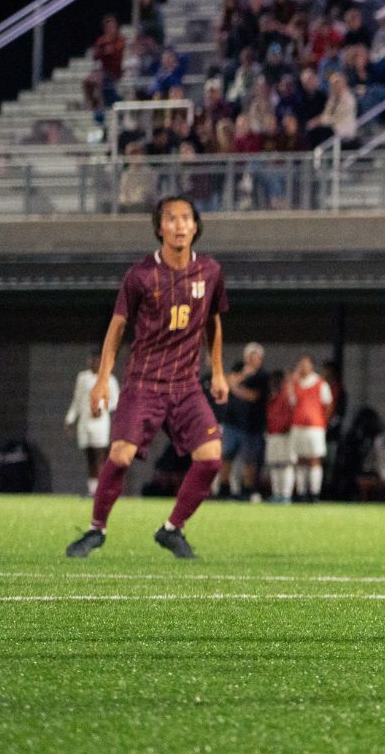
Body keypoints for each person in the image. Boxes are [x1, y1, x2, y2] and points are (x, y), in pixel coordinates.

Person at [64, 196, 230, 560]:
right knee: (120, 455)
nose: (180, 225)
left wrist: (217, 371)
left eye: (186, 218)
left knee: (211, 457)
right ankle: (95, 531)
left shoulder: (211, 271)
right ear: (159, 228)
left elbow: (214, 322)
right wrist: (102, 379)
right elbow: (117, 327)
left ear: (196, 227)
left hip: (186, 386)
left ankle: (172, 530)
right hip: (145, 382)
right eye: (171, 219)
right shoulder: (140, 275)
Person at [63, 349, 120, 497]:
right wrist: (70, 419)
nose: (95, 363)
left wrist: (102, 408)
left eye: (98, 360)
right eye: (93, 359)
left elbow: (115, 401)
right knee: (90, 457)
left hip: (100, 423)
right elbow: (77, 400)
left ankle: (102, 489)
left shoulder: (109, 379)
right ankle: (92, 489)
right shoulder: (83, 378)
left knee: (100, 456)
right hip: (84, 422)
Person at [216, 342, 267, 499]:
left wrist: (235, 387)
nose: (253, 359)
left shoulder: (262, 376)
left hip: (252, 425)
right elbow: (226, 380)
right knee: (226, 457)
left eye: (256, 356)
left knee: (249, 461)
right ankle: (223, 490)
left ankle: (247, 490)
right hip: (232, 423)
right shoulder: (239, 368)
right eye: (251, 356)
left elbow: (252, 396)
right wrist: (241, 377)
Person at [287, 355, 332, 502]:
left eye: (306, 364)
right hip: (298, 427)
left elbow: (328, 404)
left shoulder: (320, 383)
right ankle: (301, 492)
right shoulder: (296, 384)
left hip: (315, 428)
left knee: (314, 458)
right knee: (300, 459)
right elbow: (291, 402)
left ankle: (314, 493)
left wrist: (322, 421)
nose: (303, 367)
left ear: (312, 366)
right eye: (301, 364)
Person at [263, 370, 294, 503]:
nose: (273, 384)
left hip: (286, 434)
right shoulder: (271, 396)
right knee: (275, 465)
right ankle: (276, 493)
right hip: (272, 433)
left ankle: (286, 494)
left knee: (286, 464)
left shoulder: (288, 394)